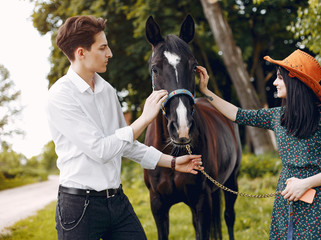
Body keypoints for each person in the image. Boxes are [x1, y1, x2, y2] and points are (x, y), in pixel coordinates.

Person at [46, 15, 203, 240]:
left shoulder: (107, 90)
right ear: (81, 53)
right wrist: (144, 119)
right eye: (102, 47)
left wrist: (173, 162)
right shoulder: (60, 96)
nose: (109, 53)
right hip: (79, 207)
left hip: (117, 201)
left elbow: (126, 145)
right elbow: (101, 150)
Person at [196, 49, 321, 239]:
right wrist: (205, 91)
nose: (275, 82)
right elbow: (238, 114)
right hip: (285, 198)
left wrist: (305, 184)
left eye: (280, 77)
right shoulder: (277, 116)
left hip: (317, 201)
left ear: (295, 81)